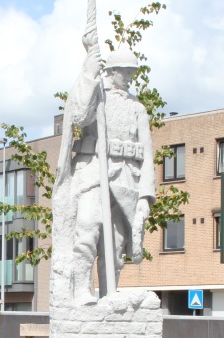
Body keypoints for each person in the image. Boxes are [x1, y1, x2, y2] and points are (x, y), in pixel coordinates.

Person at [62, 45, 155, 304]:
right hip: (94, 172)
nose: (128, 77)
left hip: (126, 180)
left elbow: (148, 155)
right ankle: (81, 290)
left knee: (114, 246)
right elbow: (79, 116)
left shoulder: (138, 109)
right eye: (123, 71)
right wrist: (89, 76)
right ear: (111, 72)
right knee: (87, 229)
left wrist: (146, 197)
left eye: (131, 72)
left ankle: (109, 295)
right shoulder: (96, 97)